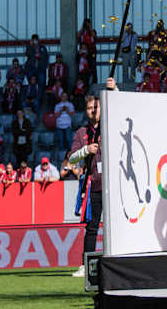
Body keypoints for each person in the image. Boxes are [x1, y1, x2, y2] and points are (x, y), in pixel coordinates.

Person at [68, 80, 106, 278]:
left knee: (111, 227)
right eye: (90, 108)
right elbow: (71, 157)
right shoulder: (82, 132)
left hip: (112, 185)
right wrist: (86, 150)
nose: (93, 110)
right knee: (91, 227)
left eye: (96, 107)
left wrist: (113, 89)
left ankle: (112, 261)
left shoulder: (110, 126)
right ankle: (86, 264)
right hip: (94, 185)